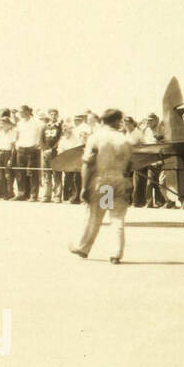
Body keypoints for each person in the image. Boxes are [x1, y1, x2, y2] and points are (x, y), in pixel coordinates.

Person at [69, 108, 135, 264]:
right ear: (117, 121)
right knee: (117, 217)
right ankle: (116, 253)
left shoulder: (96, 137)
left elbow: (87, 164)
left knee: (95, 216)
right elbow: (131, 164)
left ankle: (83, 247)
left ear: (103, 121)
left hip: (104, 181)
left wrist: (84, 187)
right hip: (121, 180)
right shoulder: (125, 139)